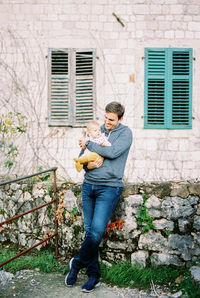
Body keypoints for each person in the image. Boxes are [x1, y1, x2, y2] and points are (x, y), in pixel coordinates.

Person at [65, 101, 132, 293]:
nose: (107, 122)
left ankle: (76, 264)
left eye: (111, 119)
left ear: (120, 118)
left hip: (109, 188)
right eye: (105, 117)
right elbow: (82, 154)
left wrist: (89, 143)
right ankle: (93, 275)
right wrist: (87, 166)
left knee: (96, 232)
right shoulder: (98, 130)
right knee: (89, 233)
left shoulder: (125, 134)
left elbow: (112, 152)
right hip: (88, 186)